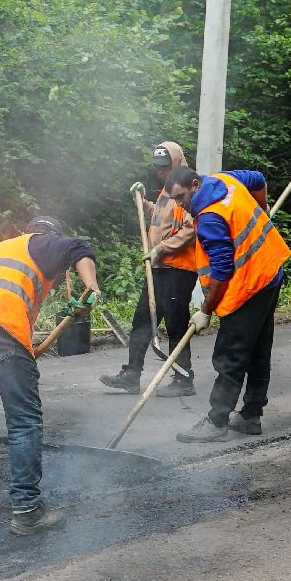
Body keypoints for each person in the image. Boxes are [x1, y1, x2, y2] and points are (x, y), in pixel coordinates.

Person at [0, 216, 100, 534]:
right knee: (24, 420)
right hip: (0, 328)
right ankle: (26, 510)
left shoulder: (2, 248)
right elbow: (81, 247)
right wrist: (92, 289)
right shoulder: (42, 242)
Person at [165, 166, 291, 442]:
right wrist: (263, 207)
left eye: (181, 197)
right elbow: (258, 179)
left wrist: (205, 311)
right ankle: (250, 416)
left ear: (195, 185)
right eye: (174, 199)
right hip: (270, 270)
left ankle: (217, 420)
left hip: (248, 286)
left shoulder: (210, 217)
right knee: (258, 348)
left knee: (230, 354)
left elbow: (222, 270)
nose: (180, 205)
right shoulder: (225, 180)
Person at [100, 141, 204, 396]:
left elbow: (191, 229)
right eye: (158, 168)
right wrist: (143, 201)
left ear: (177, 163)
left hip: (178, 268)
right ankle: (131, 374)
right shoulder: (165, 192)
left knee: (176, 324)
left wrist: (160, 249)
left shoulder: (188, 189)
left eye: (165, 167)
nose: (160, 172)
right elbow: (159, 218)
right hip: (158, 268)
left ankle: (183, 379)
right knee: (142, 320)